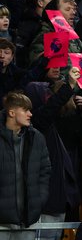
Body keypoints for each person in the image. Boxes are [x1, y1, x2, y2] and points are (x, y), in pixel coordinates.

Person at [0, 92, 51, 240]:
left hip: (28, 220)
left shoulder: (36, 137)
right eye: (25, 110)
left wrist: (38, 200)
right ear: (11, 112)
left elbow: (45, 171)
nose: (30, 114)